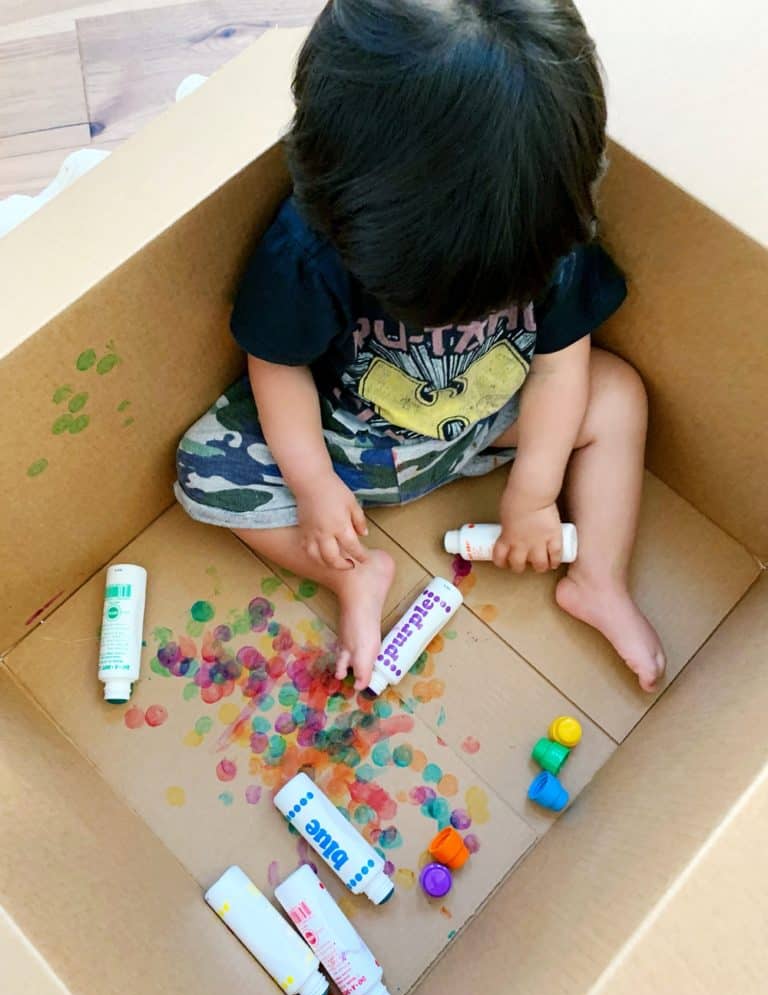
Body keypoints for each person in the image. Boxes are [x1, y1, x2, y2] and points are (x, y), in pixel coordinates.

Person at [175, 0, 666, 692]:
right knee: (202, 466)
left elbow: (560, 367)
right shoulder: (308, 248)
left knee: (617, 396)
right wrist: (314, 485)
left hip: (490, 423)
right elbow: (278, 364)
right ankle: (351, 573)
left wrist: (534, 493)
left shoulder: (550, 226)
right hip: (350, 442)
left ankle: (599, 577)